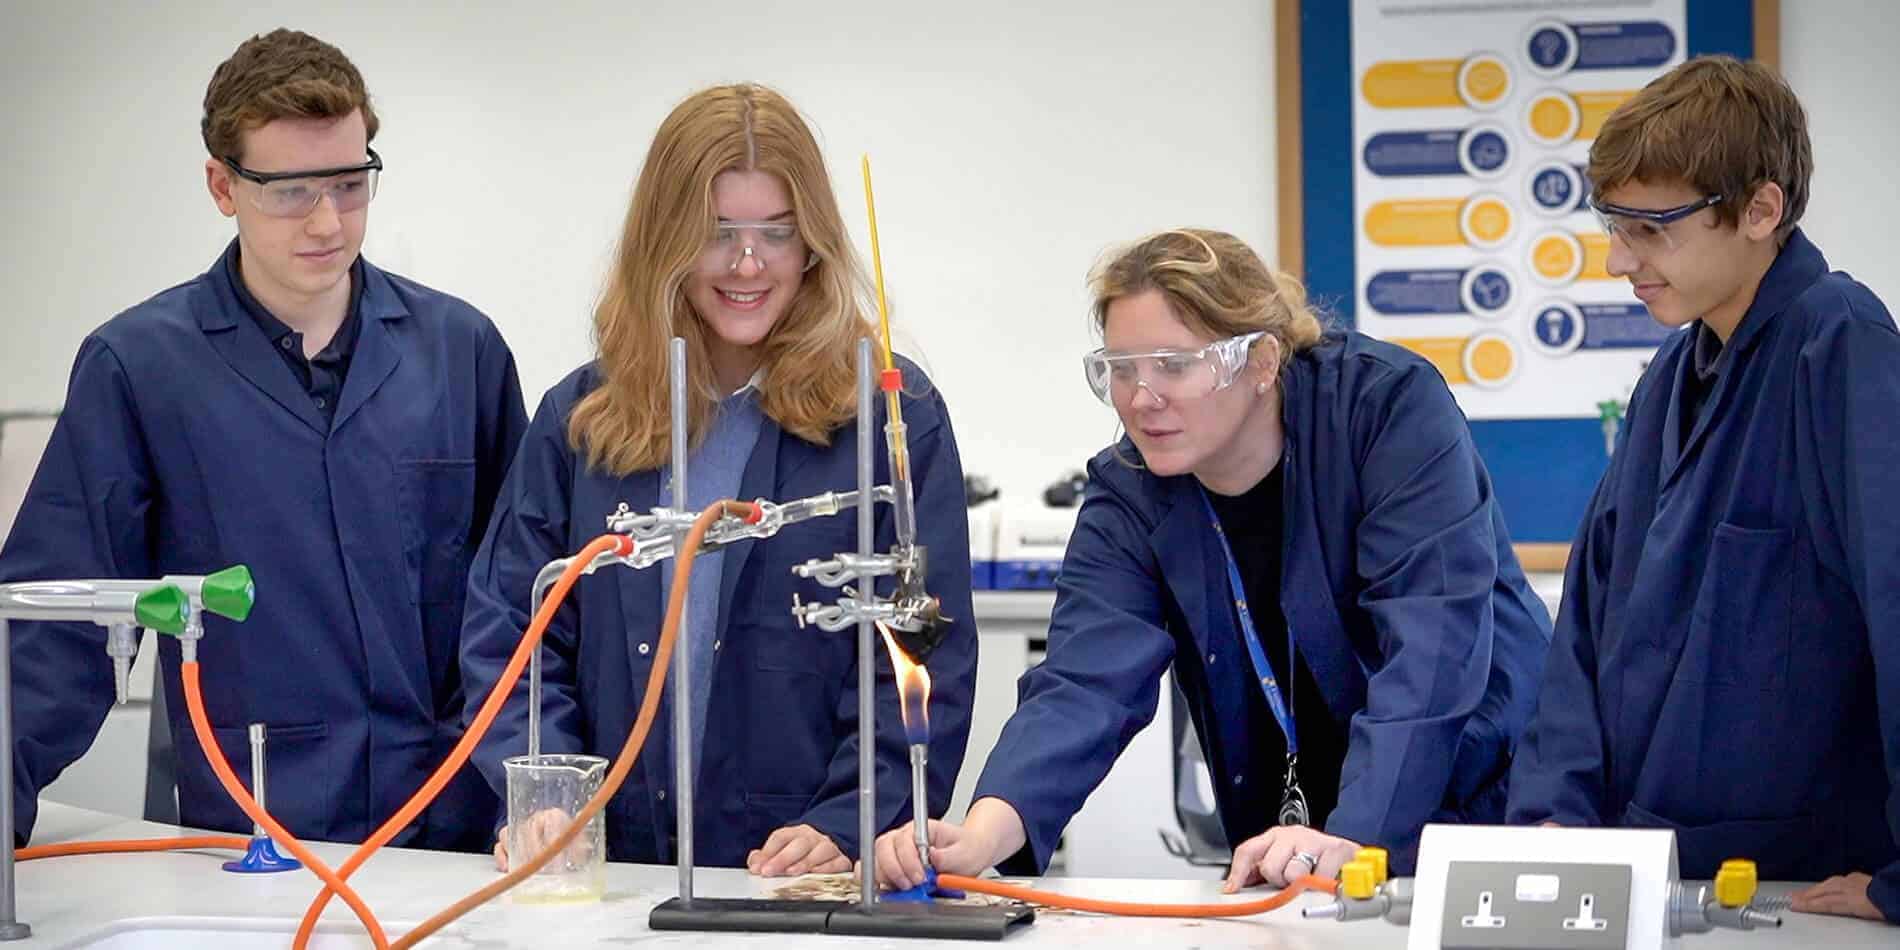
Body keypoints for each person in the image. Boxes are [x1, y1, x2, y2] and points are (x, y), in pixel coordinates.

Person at [872, 228, 1550, 891]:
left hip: (1476, 806)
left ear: (1260, 362)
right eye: (1121, 369)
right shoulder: (1131, 489)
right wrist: (985, 832)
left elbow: (1432, 648)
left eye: (1173, 365)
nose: (1142, 398)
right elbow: (1083, 682)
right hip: (1294, 848)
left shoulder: (1385, 409)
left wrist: (1358, 837)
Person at [3, 29, 526, 850]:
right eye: (290, 191)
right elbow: (57, 627)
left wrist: (528, 800)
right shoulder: (140, 368)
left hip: (452, 830)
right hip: (252, 835)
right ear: (223, 185)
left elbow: (524, 605)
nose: (327, 221)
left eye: (349, 184)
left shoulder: (462, 353)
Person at [460, 83, 977, 876]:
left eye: (777, 233)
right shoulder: (583, 418)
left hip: (801, 875)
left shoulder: (887, 418)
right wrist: (545, 797)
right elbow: (513, 634)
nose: (748, 263)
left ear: (813, 244)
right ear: (663, 240)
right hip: (612, 866)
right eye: (718, 234)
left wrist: (851, 818)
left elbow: (923, 649)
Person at [1507, 56, 1899, 924]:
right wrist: (1556, 811)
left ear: (1760, 210)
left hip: (1796, 887)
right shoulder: (1670, 373)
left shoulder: (1840, 342)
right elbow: (1588, 619)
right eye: (1614, 226)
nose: (1618, 260)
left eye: (1650, 229)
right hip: (1649, 863)